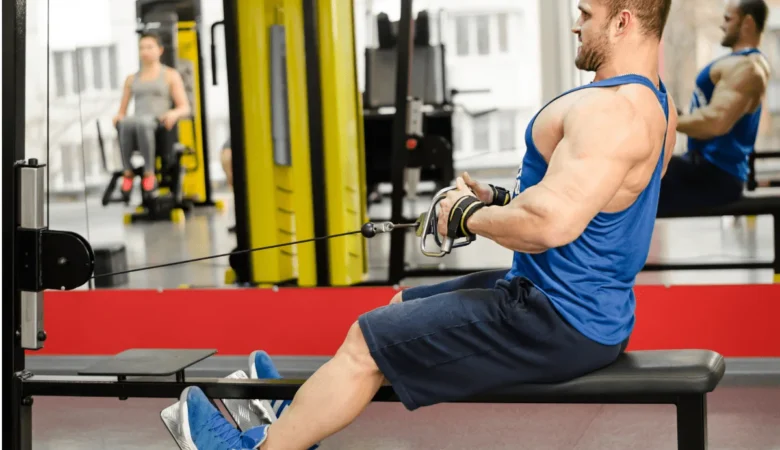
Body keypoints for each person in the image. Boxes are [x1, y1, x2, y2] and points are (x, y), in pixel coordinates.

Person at [177, 0, 676, 448]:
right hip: (578, 306)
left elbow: (550, 225)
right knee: (399, 307)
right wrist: (499, 199)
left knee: (365, 341)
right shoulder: (656, 102)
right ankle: (298, 421)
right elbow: (596, 202)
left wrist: (468, 215)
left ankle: (263, 448)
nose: (575, 26)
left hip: (554, 318)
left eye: (586, 16)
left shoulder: (614, 111)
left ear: (623, 22)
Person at [658, 0, 770, 215]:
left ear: (747, 23)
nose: (722, 25)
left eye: (728, 19)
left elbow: (716, 122)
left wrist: (669, 120)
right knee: (635, 178)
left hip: (717, 175)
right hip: (705, 168)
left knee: (640, 178)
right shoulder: (738, 63)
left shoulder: (748, 68)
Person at [112, 32, 190, 197]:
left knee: (144, 123)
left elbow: (184, 107)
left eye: (149, 47)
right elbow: (122, 111)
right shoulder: (131, 79)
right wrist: (118, 117)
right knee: (126, 123)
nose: (145, 51)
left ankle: (149, 173)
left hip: (159, 124)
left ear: (160, 50)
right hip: (137, 124)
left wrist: (173, 113)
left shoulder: (170, 75)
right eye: (141, 48)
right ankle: (128, 172)